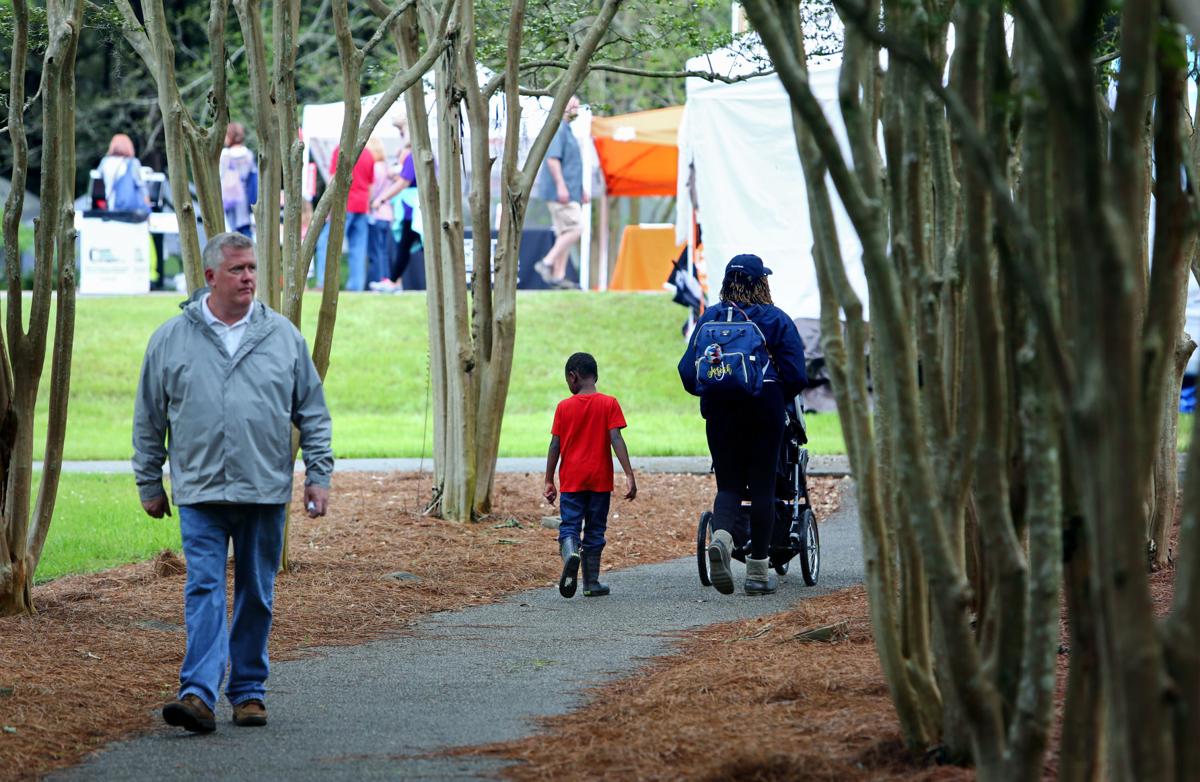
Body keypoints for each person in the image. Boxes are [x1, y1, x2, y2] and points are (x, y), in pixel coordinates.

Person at [133, 231, 334, 733]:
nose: (248, 278)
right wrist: (149, 481)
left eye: (251, 269)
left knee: (256, 592)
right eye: (237, 269)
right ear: (209, 277)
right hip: (199, 490)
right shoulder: (170, 338)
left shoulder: (282, 336)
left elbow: (312, 412)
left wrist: (318, 475)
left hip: (264, 489)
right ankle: (198, 695)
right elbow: (149, 417)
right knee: (203, 588)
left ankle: (247, 692)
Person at [677, 254, 807, 596]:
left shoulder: (711, 318)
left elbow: (688, 374)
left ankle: (721, 536)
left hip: (720, 412)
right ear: (761, 282)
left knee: (729, 486)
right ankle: (758, 573)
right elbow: (796, 375)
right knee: (763, 487)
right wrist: (776, 394)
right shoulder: (777, 320)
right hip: (764, 408)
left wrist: (717, 386)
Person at [543, 352, 637, 598]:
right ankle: (591, 583)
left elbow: (555, 445)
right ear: (595, 375)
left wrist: (548, 479)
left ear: (573, 376)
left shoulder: (564, 407)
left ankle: (571, 552)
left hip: (572, 481)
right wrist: (629, 474)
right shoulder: (609, 403)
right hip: (599, 480)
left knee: (570, 526)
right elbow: (616, 438)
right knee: (595, 530)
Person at [532, 96, 588, 289]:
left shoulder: (568, 130)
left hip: (570, 192)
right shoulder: (557, 129)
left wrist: (580, 190)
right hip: (560, 194)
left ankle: (558, 277)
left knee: (564, 232)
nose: (577, 109)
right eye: (574, 105)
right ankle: (547, 263)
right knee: (576, 229)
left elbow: (571, 165)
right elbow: (553, 160)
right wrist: (562, 187)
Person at [315, 144, 374, 291]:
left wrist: (329, 207)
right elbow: (370, 185)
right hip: (362, 206)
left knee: (325, 243)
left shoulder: (341, 150)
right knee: (358, 248)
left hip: (344, 205)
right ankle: (356, 287)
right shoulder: (368, 154)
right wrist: (367, 205)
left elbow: (333, 180)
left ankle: (323, 283)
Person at [365, 138, 397, 287]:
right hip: (387, 214)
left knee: (375, 250)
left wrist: (369, 202)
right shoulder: (385, 166)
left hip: (375, 213)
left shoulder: (375, 167)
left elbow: (373, 190)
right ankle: (385, 279)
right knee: (383, 250)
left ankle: (377, 280)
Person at [219, 122, 259, 238]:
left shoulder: (225, 155)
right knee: (245, 232)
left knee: (230, 231)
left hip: (228, 198)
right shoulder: (248, 155)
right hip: (245, 199)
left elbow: (221, 175)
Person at [97, 133, 148, 212]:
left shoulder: (105, 162)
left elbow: (97, 177)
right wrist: (147, 206)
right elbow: (141, 186)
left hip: (111, 205)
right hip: (131, 208)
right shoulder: (132, 163)